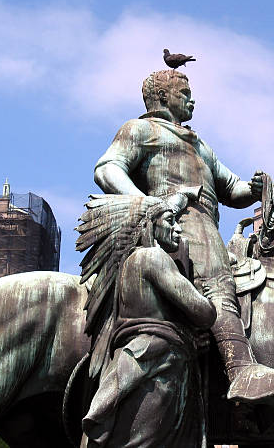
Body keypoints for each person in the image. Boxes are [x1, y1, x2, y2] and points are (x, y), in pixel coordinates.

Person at [93, 69, 274, 412]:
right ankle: (241, 370)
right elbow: (107, 169)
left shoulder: (199, 144)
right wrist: (149, 205)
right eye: (185, 92)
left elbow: (231, 188)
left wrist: (255, 187)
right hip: (178, 221)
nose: (193, 99)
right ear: (162, 98)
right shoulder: (140, 130)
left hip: (206, 223)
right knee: (217, 283)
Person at [77, 191, 215, 447]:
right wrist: (208, 297)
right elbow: (204, 313)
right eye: (170, 221)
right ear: (151, 224)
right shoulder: (153, 258)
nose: (177, 229)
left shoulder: (127, 266)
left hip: (135, 360)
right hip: (158, 365)